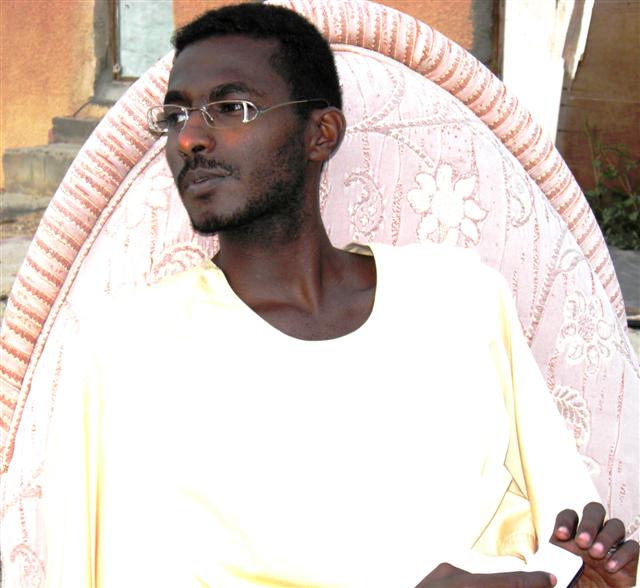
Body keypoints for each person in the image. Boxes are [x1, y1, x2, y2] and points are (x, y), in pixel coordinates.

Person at [43, 4, 638, 587]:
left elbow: (560, 538)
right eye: (175, 117)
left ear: (320, 134)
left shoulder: (460, 300)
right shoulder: (128, 349)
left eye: (230, 108)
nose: (190, 138)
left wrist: (581, 578)